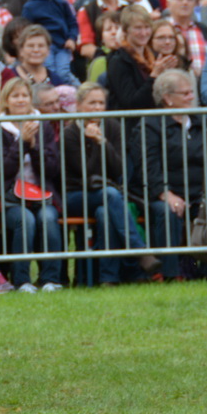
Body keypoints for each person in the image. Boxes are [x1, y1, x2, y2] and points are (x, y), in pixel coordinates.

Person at [61, 81, 145, 285]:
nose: (98, 108)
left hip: (106, 195)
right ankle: (139, 250)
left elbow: (119, 169)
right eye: (92, 103)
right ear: (79, 105)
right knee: (111, 195)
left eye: (101, 103)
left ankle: (108, 278)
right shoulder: (70, 134)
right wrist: (97, 145)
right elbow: (86, 175)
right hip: (76, 195)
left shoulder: (112, 125)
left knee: (104, 212)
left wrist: (102, 142)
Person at [0, 78, 64, 292]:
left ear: (31, 99)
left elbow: (51, 168)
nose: (21, 100)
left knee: (48, 218)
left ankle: (50, 279)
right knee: (25, 220)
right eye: (15, 96)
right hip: (10, 198)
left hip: (42, 194)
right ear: (6, 101)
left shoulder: (44, 126)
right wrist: (22, 143)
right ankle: (22, 280)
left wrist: (34, 146)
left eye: (24, 95)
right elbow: (3, 169)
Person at [129, 68, 207, 280]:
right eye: (186, 93)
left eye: (192, 92)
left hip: (197, 191)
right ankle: (170, 273)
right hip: (156, 193)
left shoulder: (199, 122)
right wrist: (166, 194)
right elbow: (148, 165)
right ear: (168, 99)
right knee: (168, 211)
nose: (192, 97)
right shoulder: (150, 124)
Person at [105, 4, 169, 111]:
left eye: (147, 27)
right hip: (130, 125)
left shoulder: (155, 57)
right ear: (125, 31)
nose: (143, 33)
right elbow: (131, 102)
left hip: (152, 123)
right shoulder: (118, 60)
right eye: (138, 28)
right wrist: (154, 76)